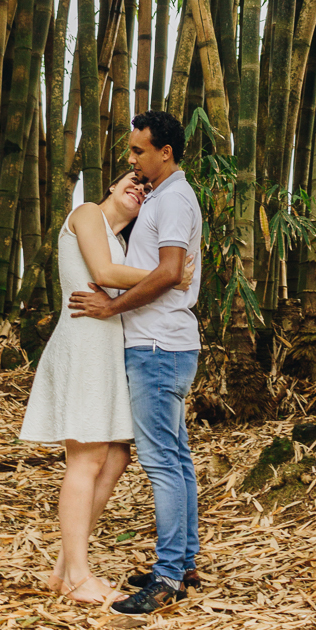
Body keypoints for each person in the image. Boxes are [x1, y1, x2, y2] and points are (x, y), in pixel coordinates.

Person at [19, 169, 193, 604]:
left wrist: (160, 273)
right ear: (112, 186)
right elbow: (102, 271)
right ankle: (78, 575)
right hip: (84, 342)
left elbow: (119, 272)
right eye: (130, 178)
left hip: (107, 348)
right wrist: (169, 273)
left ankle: (62, 568)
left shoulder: (121, 240)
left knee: (115, 457)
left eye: (147, 186)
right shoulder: (87, 214)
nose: (139, 186)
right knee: (87, 456)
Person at [70, 110, 203, 616]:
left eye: (138, 152)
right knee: (177, 456)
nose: (131, 160)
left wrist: (109, 307)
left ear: (164, 152)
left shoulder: (172, 200)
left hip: (156, 348)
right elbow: (168, 271)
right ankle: (183, 562)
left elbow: (169, 273)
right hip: (167, 345)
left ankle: (168, 577)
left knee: (163, 462)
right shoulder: (168, 199)